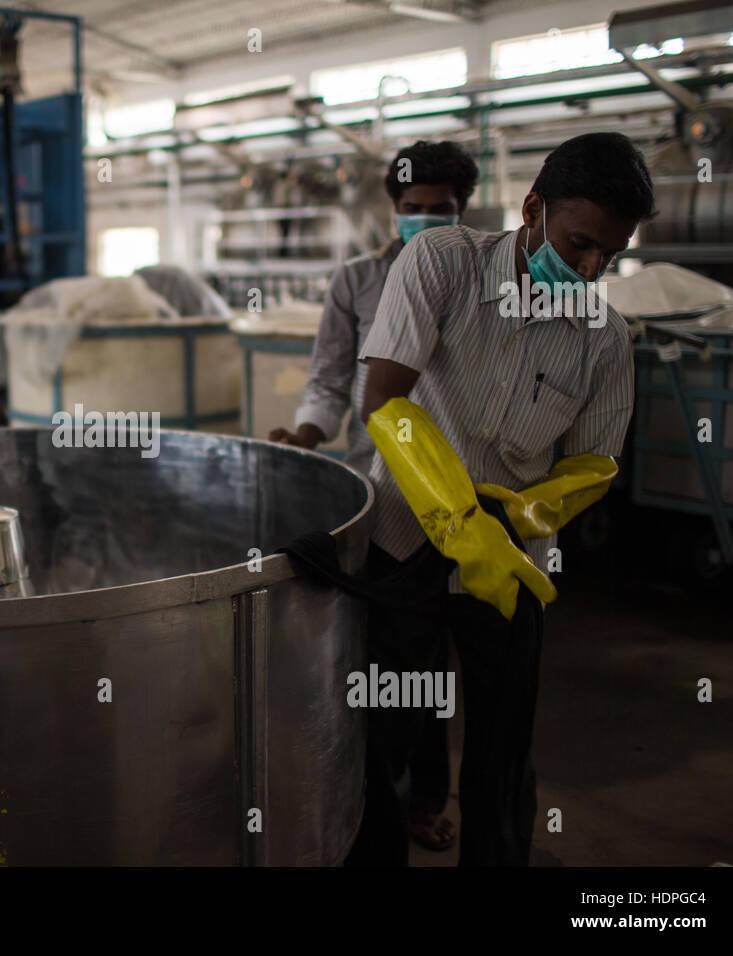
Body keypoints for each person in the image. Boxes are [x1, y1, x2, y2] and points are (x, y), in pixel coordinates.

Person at [345, 131, 654, 866]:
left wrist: (526, 515)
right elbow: (384, 401)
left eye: (609, 256)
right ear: (532, 208)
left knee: (503, 744)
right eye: (578, 242)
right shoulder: (442, 262)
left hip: (513, 566)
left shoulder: (604, 339)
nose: (588, 268)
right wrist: (457, 523)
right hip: (404, 542)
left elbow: (595, 463)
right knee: (385, 730)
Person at [271, 140, 480, 852]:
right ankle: (381, 805)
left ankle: (428, 797)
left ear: (465, 210)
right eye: (414, 211)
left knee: (453, 659)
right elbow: (331, 377)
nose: (427, 221)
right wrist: (308, 431)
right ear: (394, 209)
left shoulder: (489, 284)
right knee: (397, 664)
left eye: (442, 211)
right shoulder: (358, 281)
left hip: (471, 498)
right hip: (385, 496)